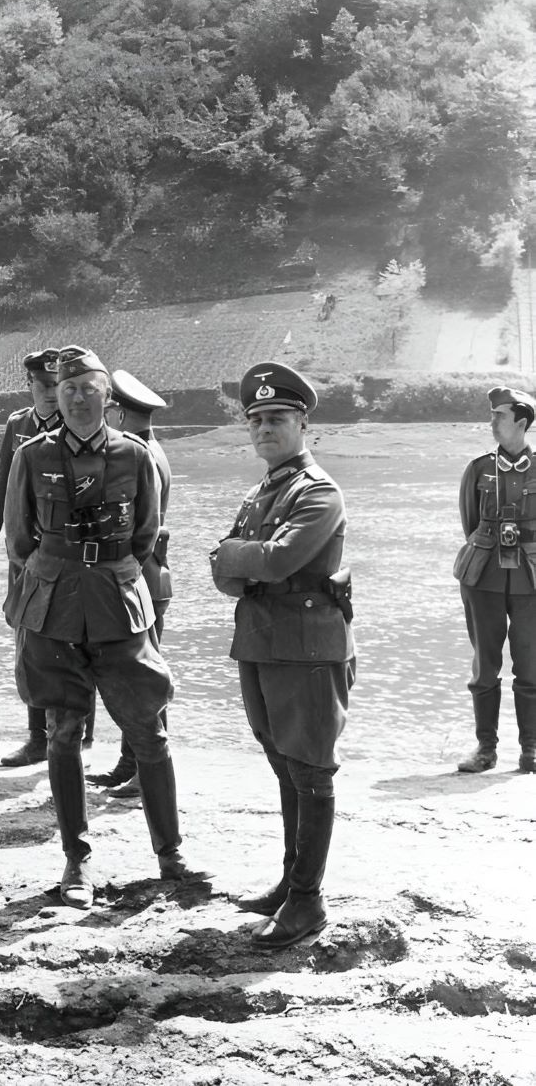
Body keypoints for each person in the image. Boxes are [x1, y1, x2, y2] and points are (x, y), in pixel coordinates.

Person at [4, 345, 203, 909]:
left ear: (106, 397)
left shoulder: (135, 456)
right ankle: (76, 861)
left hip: (118, 605)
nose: (77, 397)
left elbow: (144, 535)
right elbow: (21, 539)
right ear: (57, 398)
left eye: (88, 388)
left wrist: (107, 569)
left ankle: (170, 853)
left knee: (148, 730)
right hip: (54, 609)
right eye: (68, 390)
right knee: (63, 732)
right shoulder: (30, 456)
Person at [210, 362, 355, 948]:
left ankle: (308, 901)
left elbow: (273, 562)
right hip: (263, 642)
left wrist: (238, 556)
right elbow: (228, 572)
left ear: (302, 426)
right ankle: (292, 883)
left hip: (308, 650)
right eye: (258, 420)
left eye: (277, 418)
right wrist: (244, 559)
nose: (266, 428)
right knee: (283, 764)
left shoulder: (318, 490)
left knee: (310, 769)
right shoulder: (262, 491)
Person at [88, 369, 172, 799]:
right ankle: (130, 764)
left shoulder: (138, 452)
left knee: (143, 677)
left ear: (118, 412)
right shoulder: (153, 448)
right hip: (149, 576)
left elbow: (140, 526)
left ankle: (145, 771)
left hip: (142, 577)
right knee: (135, 670)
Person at [0, 348, 66, 768]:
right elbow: (0, 488)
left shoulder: (79, 424)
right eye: (44, 386)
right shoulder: (18, 425)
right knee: (28, 641)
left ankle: (73, 735)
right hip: (22, 557)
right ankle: (37, 736)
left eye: (58, 385)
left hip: (63, 556)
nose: (52, 394)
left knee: (70, 640)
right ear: (29, 384)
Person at [454, 385, 536, 775]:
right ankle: (486, 750)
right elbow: (470, 523)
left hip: (531, 580)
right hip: (483, 576)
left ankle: (531, 752)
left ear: (521, 421)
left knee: (531, 667)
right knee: (485, 667)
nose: (492, 422)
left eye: (499, 416)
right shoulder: (479, 468)